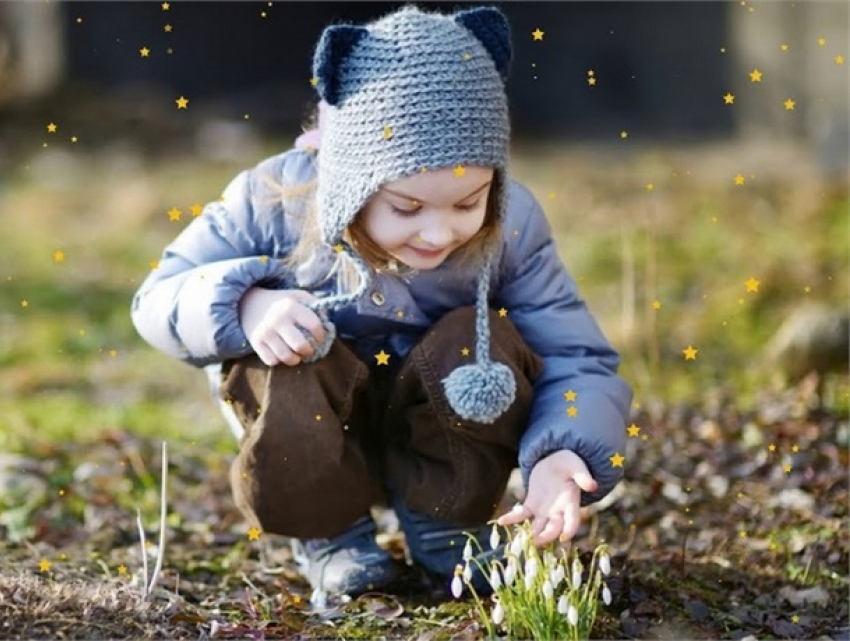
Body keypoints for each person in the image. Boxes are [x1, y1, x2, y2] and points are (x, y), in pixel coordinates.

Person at [131, 4, 632, 599]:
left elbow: (577, 356)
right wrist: (243, 307)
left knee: (484, 340)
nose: (440, 233)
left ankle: (448, 521)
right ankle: (331, 536)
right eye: (407, 208)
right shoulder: (271, 201)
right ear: (351, 181)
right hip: (317, 428)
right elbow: (156, 298)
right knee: (285, 348)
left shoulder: (511, 224)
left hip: (440, 427)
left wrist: (564, 449)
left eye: (468, 202)